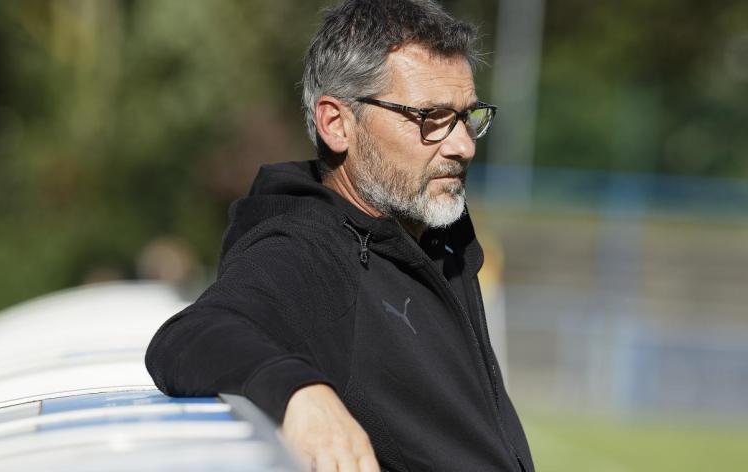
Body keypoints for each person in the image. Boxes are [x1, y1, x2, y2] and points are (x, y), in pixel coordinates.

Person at [145, 1, 534, 470]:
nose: (463, 145)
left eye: (467, 117)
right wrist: (299, 393)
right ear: (335, 124)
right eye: (430, 118)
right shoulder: (308, 251)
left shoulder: (435, 232)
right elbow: (191, 335)